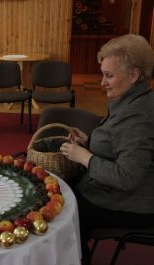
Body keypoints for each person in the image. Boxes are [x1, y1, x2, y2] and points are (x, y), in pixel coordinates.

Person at [60, 34, 154, 263]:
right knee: (56, 190)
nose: (102, 82)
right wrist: (89, 143)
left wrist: (86, 157)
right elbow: (119, 144)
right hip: (113, 192)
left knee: (60, 213)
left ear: (134, 75)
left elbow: (128, 177)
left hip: (130, 204)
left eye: (109, 75)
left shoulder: (138, 115)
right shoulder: (132, 100)